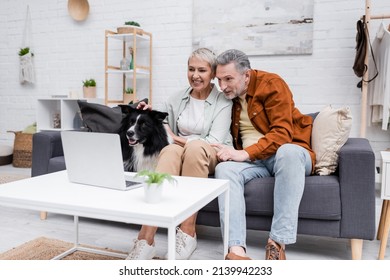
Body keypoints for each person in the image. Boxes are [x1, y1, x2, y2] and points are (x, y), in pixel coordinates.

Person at [127, 48, 233, 260]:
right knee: (170, 151)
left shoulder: (223, 102)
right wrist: (147, 111)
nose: (195, 75)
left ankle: (187, 232)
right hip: (180, 150)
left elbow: (214, 141)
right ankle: (146, 238)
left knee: (192, 147)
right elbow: (162, 123)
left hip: (209, 153)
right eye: (191, 69)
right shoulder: (177, 98)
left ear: (212, 73)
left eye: (202, 70)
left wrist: (177, 139)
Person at [212, 49, 315, 260]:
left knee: (288, 151)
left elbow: (283, 133)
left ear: (246, 75)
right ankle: (236, 250)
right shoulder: (227, 98)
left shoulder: (272, 84)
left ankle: (277, 243)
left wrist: (245, 153)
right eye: (219, 80)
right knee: (224, 169)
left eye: (228, 79)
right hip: (256, 163)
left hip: (289, 156)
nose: (222, 87)